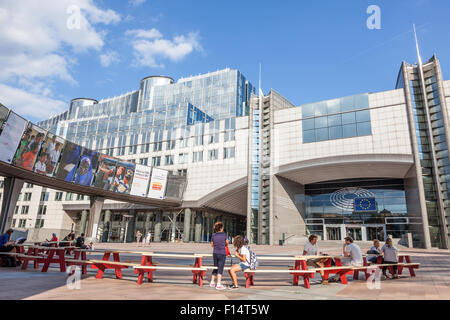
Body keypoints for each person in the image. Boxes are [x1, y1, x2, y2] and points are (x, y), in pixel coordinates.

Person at [210, 222, 229, 290]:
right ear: (221, 228)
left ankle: (212, 282)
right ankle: (218, 284)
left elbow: (212, 245)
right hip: (222, 253)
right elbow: (227, 243)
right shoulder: (224, 235)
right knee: (220, 268)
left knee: (215, 267)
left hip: (215, 253)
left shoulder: (213, 235)